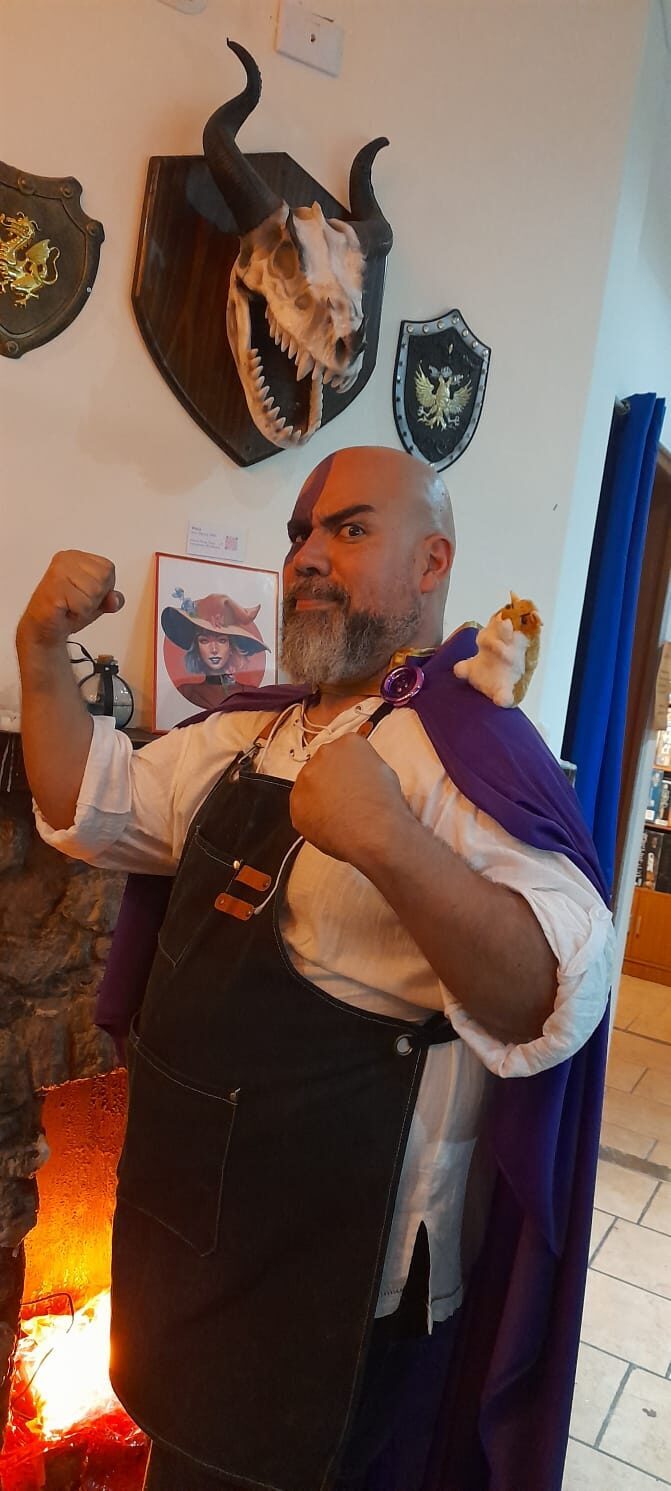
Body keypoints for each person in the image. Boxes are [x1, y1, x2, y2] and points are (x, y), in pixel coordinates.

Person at [16, 447, 613, 1491]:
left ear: (432, 562)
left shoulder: (478, 752)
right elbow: (88, 805)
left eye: (349, 527)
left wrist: (390, 840)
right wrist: (38, 654)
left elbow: (551, 997)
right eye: (299, 532)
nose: (306, 553)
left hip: (330, 1287)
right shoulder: (252, 730)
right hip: (187, 1233)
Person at [160, 591, 269, 709]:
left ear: (231, 647)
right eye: (204, 641)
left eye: (222, 640)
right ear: (197, 648)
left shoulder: (250, 694)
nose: (214, 649)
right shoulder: (187, 692)